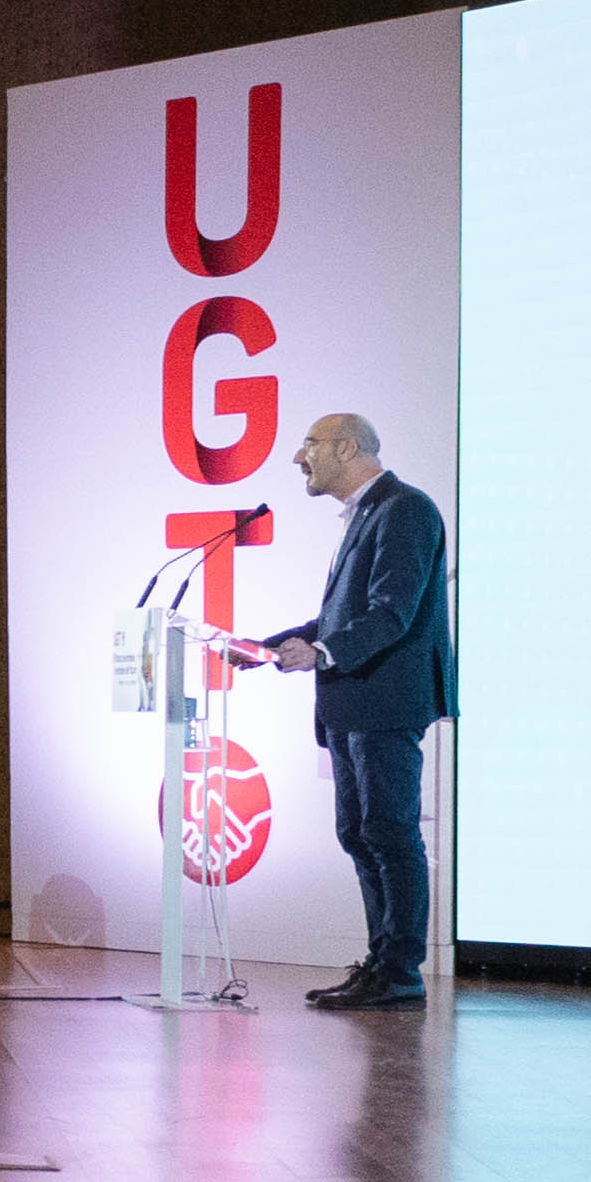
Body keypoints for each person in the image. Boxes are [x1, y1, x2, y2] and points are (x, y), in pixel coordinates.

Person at [248, 410, 452, 1011]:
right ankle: (382, 965)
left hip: (384, 701)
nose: (298, 457)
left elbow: (391, 612)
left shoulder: (405, 509)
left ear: (345, 447)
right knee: (360, 833)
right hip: (352, 702)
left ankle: (400, 972)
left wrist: (321, 652)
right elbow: (343, 616)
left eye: (309, 443)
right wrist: (271, 646)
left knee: (389, 833)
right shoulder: (368, 514)